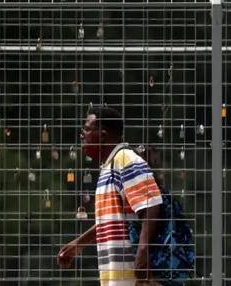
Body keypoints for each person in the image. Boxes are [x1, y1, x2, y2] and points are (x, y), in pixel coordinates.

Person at [57, 105, 165, 285]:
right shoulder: (108, 168)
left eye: (88, 129)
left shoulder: (125, 160)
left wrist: (143, 250)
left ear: (103, 134)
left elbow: (152, 203)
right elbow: (111, 220)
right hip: (114, 275)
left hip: (132, 274)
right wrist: (79, 244)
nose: (82, 134)